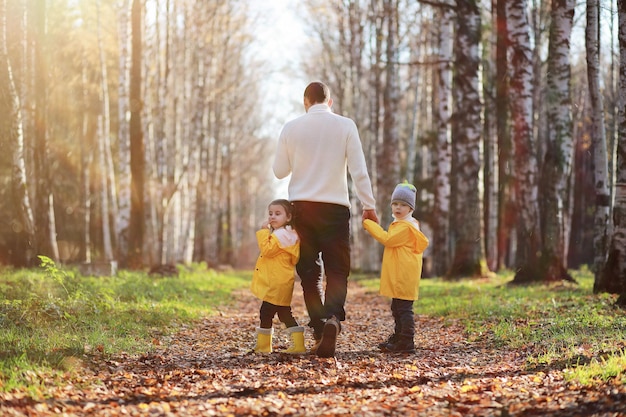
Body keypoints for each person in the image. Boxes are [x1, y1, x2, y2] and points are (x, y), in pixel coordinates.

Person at [273, 81, 379, 358]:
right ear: (329, 102)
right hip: (335, 208)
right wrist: (369, 205)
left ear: (306, 102)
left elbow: (279, 171)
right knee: (337, 269)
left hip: (302, 208)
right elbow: (359, 169)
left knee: (309, 273)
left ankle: (319, 328)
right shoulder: (345, 125)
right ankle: (333, 317)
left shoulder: (291, 127)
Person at [363, 181, 429, 353]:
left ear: (411, 209)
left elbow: (387, 239)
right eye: (395, 204)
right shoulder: (402, 224)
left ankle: (407, 341)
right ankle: (399, 336)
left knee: (404, 309)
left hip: (404, 275)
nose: (398, 208)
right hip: (401, 274)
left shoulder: (406, 227)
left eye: (403, 205)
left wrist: (369, 224)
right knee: (397, 307)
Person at [250, 199, 305, 354]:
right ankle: (297, 344)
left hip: (277, 281)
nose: (272, 217)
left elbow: (267, 250)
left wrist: (263, 231)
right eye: (270, 214)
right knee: (283, 313)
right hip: (282, 280)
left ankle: (264, 347)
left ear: (288, 217)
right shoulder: (289, 234)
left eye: (278, 214)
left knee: (266, 312)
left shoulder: (281, 235)